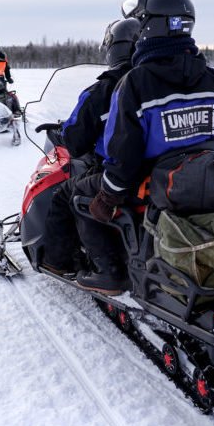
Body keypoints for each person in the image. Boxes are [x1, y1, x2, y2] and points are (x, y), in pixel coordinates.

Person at [74, 0, 214, 295]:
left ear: (148, 28)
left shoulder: (136, 83)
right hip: (211, 184)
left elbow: (121, 155)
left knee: (80, 195)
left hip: (155, 189)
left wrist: (107, 199)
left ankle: (110, 273)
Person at [39, 19, 140, 276]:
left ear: (114, 49)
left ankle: (59, 260)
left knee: (66, 195)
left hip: (117, 173)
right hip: (155, 170)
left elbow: (75, 141)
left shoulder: (103, 90)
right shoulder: (152, 82)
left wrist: (63, 133)